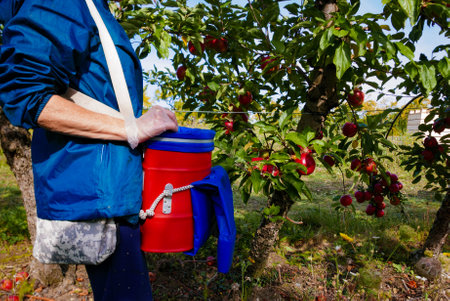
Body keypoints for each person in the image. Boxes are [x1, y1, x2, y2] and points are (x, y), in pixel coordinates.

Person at [0, 0, 178, 300]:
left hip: (115, 192)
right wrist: (131, 129)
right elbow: (26, 94)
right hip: (101, 199)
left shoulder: (91, 6)